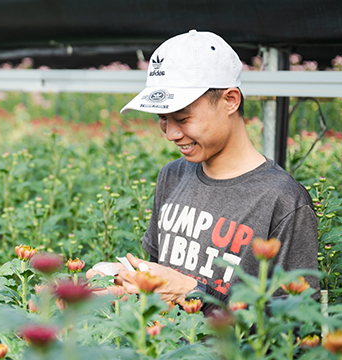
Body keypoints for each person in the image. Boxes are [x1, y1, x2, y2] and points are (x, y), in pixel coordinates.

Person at [87, 30, 318, 311]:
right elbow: (164, 281)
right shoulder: (172, 176)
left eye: (183, 118)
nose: (171, 133)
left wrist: (193, 293)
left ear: (230, 100)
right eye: (163, 118)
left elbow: (298, 322)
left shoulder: (281, 200)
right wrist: (128, 285)